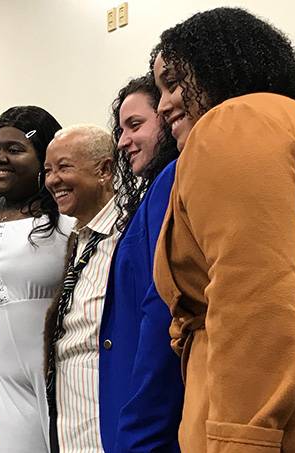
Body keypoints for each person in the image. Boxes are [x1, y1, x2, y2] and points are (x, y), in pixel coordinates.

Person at [150, 7, 295, 453]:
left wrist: (240, 440)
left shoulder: (234, 122)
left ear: (217, 63)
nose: (163, 104)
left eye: (173, 82)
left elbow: (253, 291)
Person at [0, 106, 69, 453]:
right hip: (4, 379)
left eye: (15, 149)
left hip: (63, 372)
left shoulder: (67, 219)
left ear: (44, 159)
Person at [90, 75, 183, 453]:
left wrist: (140, 431)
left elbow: (162, 310)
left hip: (156, 415)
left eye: (136, 125)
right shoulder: (150, 194)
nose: (124, 141)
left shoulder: (171, 182)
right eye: (121, 129)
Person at [42, 125, 120, 452]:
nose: (52, 180)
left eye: (64, 167)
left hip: (106, 413)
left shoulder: (127, 236)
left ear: (104, 171)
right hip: (68, 410)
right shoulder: (77, 238)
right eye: (47, 171)